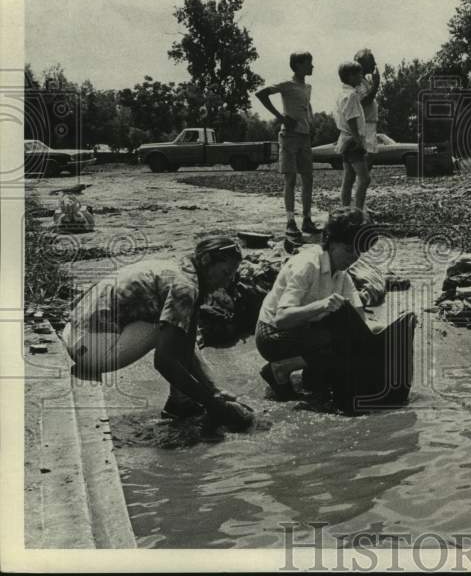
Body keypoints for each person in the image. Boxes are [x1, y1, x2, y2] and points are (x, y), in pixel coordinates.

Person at [61, 236, 255, 431]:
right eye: (225, 273)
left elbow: (189, 344)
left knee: (181, 332)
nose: (227, 282)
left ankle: (183, 401)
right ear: (206, 261)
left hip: (72, 333)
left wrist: (215, 390)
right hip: (90, 350)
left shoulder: (181, 267)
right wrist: (213, 404)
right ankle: (182, 403)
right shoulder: (186, 287)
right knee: (172, 337)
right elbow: (164, 362)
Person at [255, 209, 415, 413]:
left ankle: (311, 379)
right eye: (349, 250)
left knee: (356, 338)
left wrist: (386, 331)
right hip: (273, 337)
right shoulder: (307, 264)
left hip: (307, 334)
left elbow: (359, 323)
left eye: (359, 253)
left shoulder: (342, 275)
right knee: (338, 337)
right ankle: (281, 368)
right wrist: (322, 305)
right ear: (330, 241)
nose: (354, 259)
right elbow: (281, 319)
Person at [256, 51, 317, 242]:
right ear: (298, 65)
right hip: (289, 137)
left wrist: (311, 123)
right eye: (309, 63)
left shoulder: (307, 86)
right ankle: (290, 221)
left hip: (305, 137)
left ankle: (307, 219)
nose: (312, 66)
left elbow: (306, 107)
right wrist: (281, 118)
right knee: (290, 179)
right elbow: (261, 93)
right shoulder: (286, 84)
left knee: (308, 179)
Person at [334, 61, 372, 212]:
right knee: (364, 179)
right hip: (352, 140)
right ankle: (358, 211)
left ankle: (345, 211)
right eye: (358, 74)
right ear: (350, 76)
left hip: (345, 140)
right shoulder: (351, 96)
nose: (361, 77)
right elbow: (351, 120)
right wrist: (359, 141)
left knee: (349, 178)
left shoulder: (343, 94)